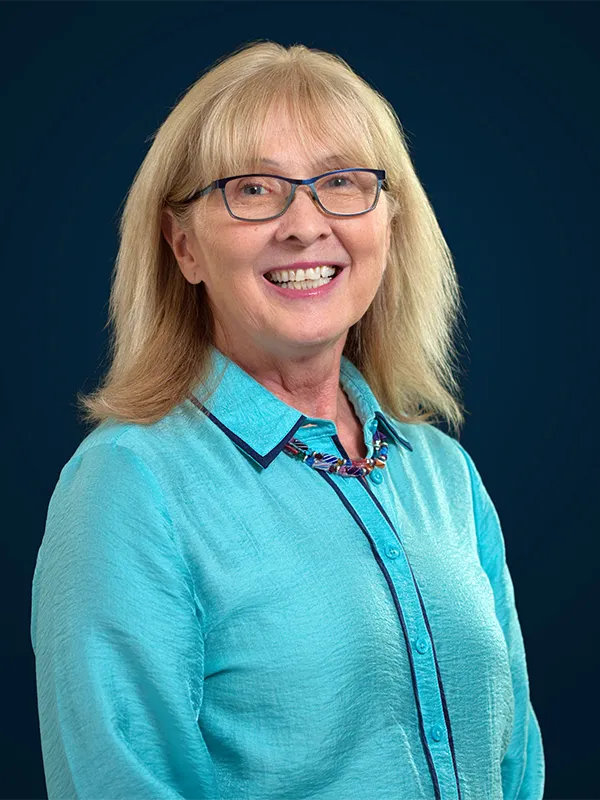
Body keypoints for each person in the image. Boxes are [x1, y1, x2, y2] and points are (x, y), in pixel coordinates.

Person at [30, 40, 545, 799]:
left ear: (390, 225)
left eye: (341, 182)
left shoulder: (445, 476)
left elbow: (517, 767)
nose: (305, 224)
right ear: (184, 246)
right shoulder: (127, 486)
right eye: (253, 188)